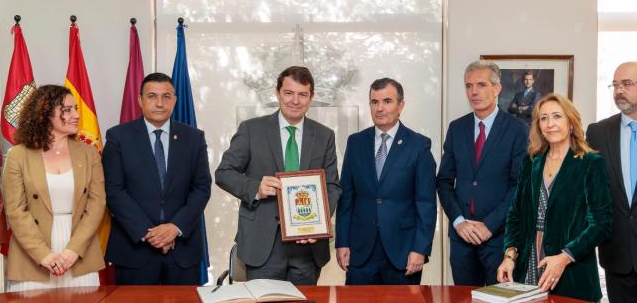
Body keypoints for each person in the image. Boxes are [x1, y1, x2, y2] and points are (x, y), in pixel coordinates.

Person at [216, 66, 340, 285]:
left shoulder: (324, 136)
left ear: (311, 98)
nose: (295, 100)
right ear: (278, 93)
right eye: (289, 93)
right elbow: (224, 173)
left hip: (308, 246)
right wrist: (255, 188)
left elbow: (332, 186)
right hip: (263, 243)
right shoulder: (251, 129)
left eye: (302, 94)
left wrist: (319, 225)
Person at [498, 93, 612, 302]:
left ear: (570, 123)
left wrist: (566, 256)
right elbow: (515, 215)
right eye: (544, 118)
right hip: (528, 264)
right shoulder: (531, 162)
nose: (550, 123)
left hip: (572, 270)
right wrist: (509, 255)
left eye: (557, 116)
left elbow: (602, 224)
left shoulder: (590, 163)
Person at [103, 73, 211, 285]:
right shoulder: (118, 137)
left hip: (182, 249)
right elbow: (114, 191)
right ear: (140, 100)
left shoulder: (193, 138)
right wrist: (150, 234)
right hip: (134, 249)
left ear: (175, 100)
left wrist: (174, 228)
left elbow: (201, 189)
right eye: (152, 96)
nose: (160, 103)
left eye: (166, 96)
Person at [3, 85, 105, 291]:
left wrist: (72, 251)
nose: (76, 115)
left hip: (80, 253)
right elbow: (15, 211)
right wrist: (44, 255)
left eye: (75, 108)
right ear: (45, 114)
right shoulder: (17, 155)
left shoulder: (89, 154)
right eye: (67, 110)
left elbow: (97, 204)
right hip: (32, 255)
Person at [335, 78, 437, 285]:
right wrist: (342, 242)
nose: (380, 108)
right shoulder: (355, 143)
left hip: (403, 252)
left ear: (401, 105)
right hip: (361, 251)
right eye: (374, 102)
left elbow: (426, 204)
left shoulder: (418, 146)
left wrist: (420, 248)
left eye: (387, 101)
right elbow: (347, 198)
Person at [436, 60, 528, 286]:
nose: (473, 92)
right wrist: (458, 222)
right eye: (468, 86)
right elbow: (444, 181)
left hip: (498, 237)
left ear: (497, 89)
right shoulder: (456, 128)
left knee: (499, 299)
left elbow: (520, 186)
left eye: (481, 85)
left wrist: (489, 225)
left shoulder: (518, 130)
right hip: (461, 237)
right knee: (463, 298)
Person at [587, 61, 637, 303]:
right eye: (615, 85)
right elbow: (588, 190)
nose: (619, 91)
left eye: (626, 84)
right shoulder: (598, 132)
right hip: (617, 254)